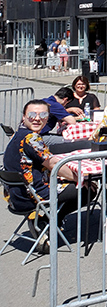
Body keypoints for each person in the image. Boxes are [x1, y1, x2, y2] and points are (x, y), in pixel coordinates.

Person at [2, 100, 90, 253]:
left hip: (15, 196)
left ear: (47, 117)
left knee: (71, 181)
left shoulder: (18, 135)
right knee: (90, 189)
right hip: (33, 196)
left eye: (43, 115)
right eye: (32, 114)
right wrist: (80, 178)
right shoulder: (32, 138)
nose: (37, 118)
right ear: (24, 117)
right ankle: (48, 220)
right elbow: (54, 164)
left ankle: (47, 220)